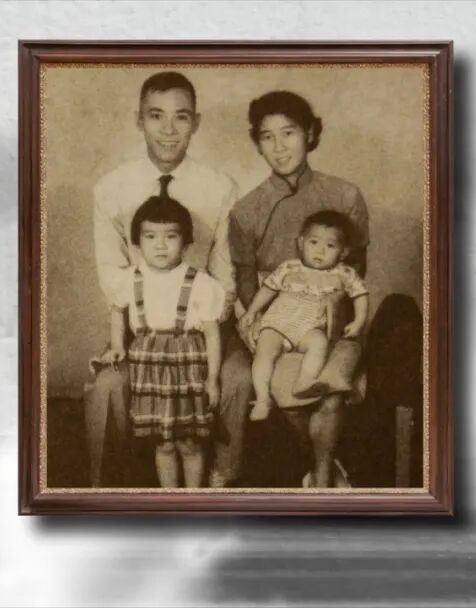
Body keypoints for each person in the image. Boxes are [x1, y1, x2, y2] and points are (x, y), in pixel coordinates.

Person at [86, 71, 253, 488]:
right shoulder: (111, 188)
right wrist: (136, 326)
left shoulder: (220, 187)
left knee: (237, 377)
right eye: (155, 115)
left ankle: (221, 476)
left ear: (195, 122)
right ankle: (105, 486)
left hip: (204, 319)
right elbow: (110, 270)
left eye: (181, 117)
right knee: (108, 384)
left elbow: (224, 269)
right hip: (142, 326)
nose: (168, 130)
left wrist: (203, 324)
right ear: (138, 120)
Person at [229, 90, 370, 488]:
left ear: (309, 133)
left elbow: (357, 269)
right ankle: (325, 465)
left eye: (288, 133)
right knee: (289, 394)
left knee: (330, 391)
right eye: (267, 136)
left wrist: (336, 318)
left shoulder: (345, 195)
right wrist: (261, 323)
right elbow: (246, 278)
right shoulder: (246, 210)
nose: (279, 147)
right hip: (278, 322)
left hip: (332, 321)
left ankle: (322, 478)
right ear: (257, 144)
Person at [98, 195, 225, 488]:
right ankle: (170, 498)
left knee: (189, 443)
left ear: (186, 242)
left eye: (171, 236)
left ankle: (192, 499)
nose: (160, 245)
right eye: (150, 236)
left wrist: (212, 379)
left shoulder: (201, 283)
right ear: (137, 242)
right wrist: (117, 346)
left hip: (188, 368)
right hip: (149, 369)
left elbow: (212, 335)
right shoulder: (129, 279)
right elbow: (117, 312)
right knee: (163, 443)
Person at [240, 211, 369, 421]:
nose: (320, 251)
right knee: (264, 351)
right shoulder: (289, 267)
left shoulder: (345, 274)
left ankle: (305, 381)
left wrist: (359, 321)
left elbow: (360, 296)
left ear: (343, 252)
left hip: (310, 327)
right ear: (301, 243)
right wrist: (252, 311)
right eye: (313, 242)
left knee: (319, 343)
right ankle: (263, 399)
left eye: (330, 246)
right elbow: (268, 289)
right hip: (278, 323)